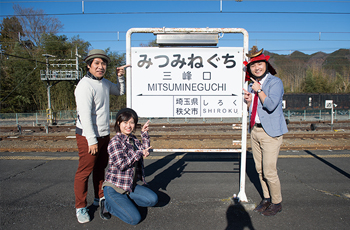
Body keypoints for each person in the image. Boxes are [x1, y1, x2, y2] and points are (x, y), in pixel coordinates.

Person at [74, 49, 130, 224]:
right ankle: (80, 207)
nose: (100, 66)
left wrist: (120, 76)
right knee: (85, 171)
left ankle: (100, 199)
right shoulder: (84, 85)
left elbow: (119, 91)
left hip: (104, 134)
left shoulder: (104, 83)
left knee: (100, 168)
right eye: (96, 63)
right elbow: (84, 115)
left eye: (103, 63)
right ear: (89, 65)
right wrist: (91, 140)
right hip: (88, 136)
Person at [243, 46, 288, 216]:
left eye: (260, 64)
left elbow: (269, 105)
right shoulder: (253, 84)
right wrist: (249, 101)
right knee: (260, 169)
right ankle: (267, 198)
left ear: (266, 65)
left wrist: (259, 90)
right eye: (253, 66)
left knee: (269, 170)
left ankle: (277, 202)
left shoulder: (275, 82)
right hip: (255, 131)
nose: (257, 68)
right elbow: (254, 110)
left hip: (271, 133)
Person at [101, 108, 158, 225]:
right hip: (114, 188)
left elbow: (144, 150)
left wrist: (144, 133)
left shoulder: (133, 139)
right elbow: (121, 165)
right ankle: (108, 205)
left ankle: (125, 202)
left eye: (131, 122)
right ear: (118, 123)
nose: (129, 125)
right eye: (125, 122)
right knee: (134, 219)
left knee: (153, 200)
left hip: (129, 185)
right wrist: (139, 153)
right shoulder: (115, 142)